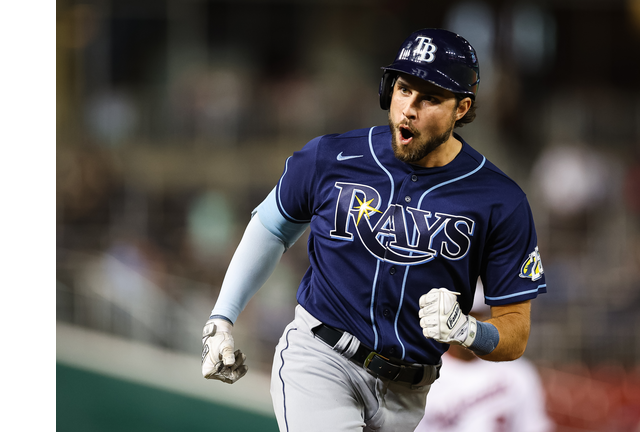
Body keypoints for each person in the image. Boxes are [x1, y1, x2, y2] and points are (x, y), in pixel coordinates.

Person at [200, 28, 547, 432]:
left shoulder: (500, 199)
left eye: (429, 98)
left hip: (409, 394)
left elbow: (516, 329)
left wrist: (469, 331)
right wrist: (222, 318)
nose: (408, 109)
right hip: (321, 360)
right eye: (403, 89)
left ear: (461, 108)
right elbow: (272, 227)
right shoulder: (330, 156)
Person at [416, 282, 555, 432]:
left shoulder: (516, 370)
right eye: (463, 315)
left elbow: (532, 426)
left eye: (478, 314)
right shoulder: (425, 374)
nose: (470, 322)